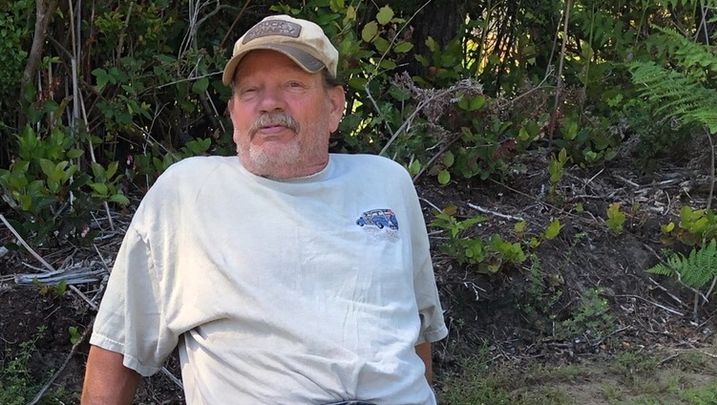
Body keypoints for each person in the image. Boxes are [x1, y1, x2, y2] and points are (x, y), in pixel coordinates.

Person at [81, 14, 448, 405]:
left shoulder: (386, 182)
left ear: (334, 105)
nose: (269, 104)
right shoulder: (187, 194)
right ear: (233, 114)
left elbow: (415, 331)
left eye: (292, 85)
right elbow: (118, 350)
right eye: (251, 90)